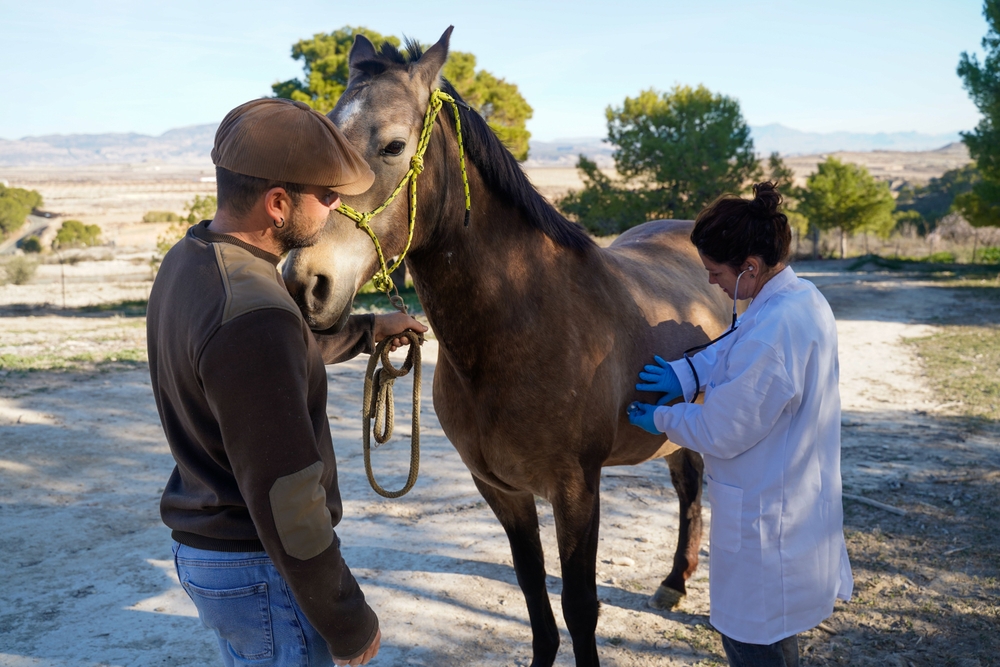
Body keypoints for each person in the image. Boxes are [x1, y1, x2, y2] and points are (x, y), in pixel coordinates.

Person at [146, 98, 427, 667]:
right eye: (326, 196)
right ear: (278, 204)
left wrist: (370, 330)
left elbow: (275, 354)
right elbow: (289, 499)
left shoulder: (194, 259)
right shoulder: (255, 315)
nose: (336, 208)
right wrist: (347, 620)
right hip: (262, 568)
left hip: (220, 555)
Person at [627, 182, 853, 667]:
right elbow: (734, 347)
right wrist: (685, 375)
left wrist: (661, 417)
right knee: (772, 639)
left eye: (715, 273)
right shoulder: (797, 299)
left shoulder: (775, 330)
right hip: (782, 503)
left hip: (767, 526)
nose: (710, 283)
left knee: (756, 644)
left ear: (749, 267)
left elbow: (719, 430)